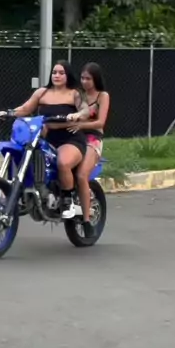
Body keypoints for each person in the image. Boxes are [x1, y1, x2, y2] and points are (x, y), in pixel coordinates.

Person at [0, 60, 90, 222]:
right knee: (25, 153)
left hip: (70, 138)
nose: (57, 75)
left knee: (63, 163)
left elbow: (85, 110)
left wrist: (77, 115)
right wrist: (9, 112)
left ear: (68, 76)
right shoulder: (42, 92)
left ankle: (67, 202)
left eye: (61, 73)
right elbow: (25, 109)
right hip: (47, 137)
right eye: (54, 72)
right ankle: (31, 190)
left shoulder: (74, 93)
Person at [66, 62, 110, 235]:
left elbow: (100, 122)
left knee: (81, 175)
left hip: (93, 138)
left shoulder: (102, 96)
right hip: (75, 136)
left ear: (95, 79)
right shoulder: (78, 95)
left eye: (88, 79)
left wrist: (81, 125)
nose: (84, 81)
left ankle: (86, 221)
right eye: (82, 78)